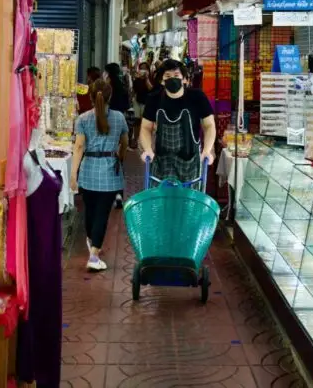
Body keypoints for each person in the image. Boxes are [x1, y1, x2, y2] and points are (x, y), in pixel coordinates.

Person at [70, 79, 127, 271]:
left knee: (90, 212)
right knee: (102, 214)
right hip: (110, 171)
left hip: (88, 171)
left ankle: (93, 247)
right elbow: (125, 141)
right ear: (110, 96)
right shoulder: (119, 117)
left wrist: (72, 175)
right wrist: (120, 156)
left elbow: (78, 147)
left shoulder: (83, 119)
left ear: (91, 97)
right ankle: (94, 255)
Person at [139, 59, 216, 184]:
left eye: (176, 75)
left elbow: (209, 125)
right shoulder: (154, 99)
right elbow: (145, 128)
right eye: (167, 76)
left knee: (189, 201)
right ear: (162, 81)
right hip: (162, 162)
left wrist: (207, 150)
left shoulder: (197, 97)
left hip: (190, 162)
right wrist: (147, 149)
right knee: (162, 201)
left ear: (185, 79)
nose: (172, 79)